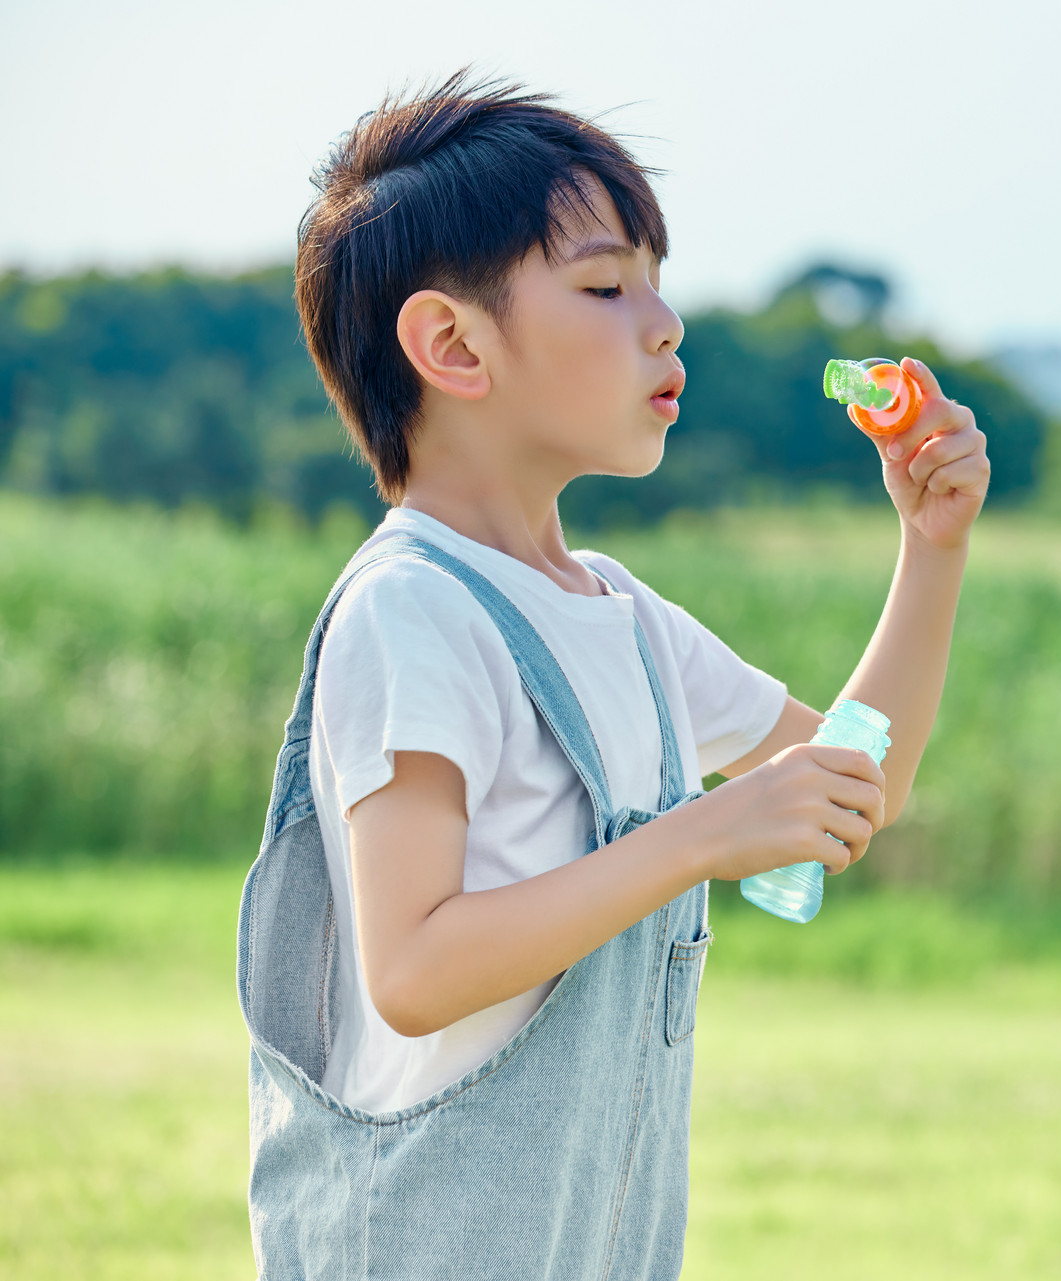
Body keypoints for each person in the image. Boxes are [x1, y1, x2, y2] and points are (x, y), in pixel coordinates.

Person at [236, 72, 989, 1278]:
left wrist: (931, 548)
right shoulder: (413, 610)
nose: (663, 320)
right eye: (604, 284)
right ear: (451, 346)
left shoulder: (626, 619)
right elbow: (417, 968)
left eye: (657, 279)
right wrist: (698, 835)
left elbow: (854, 788)